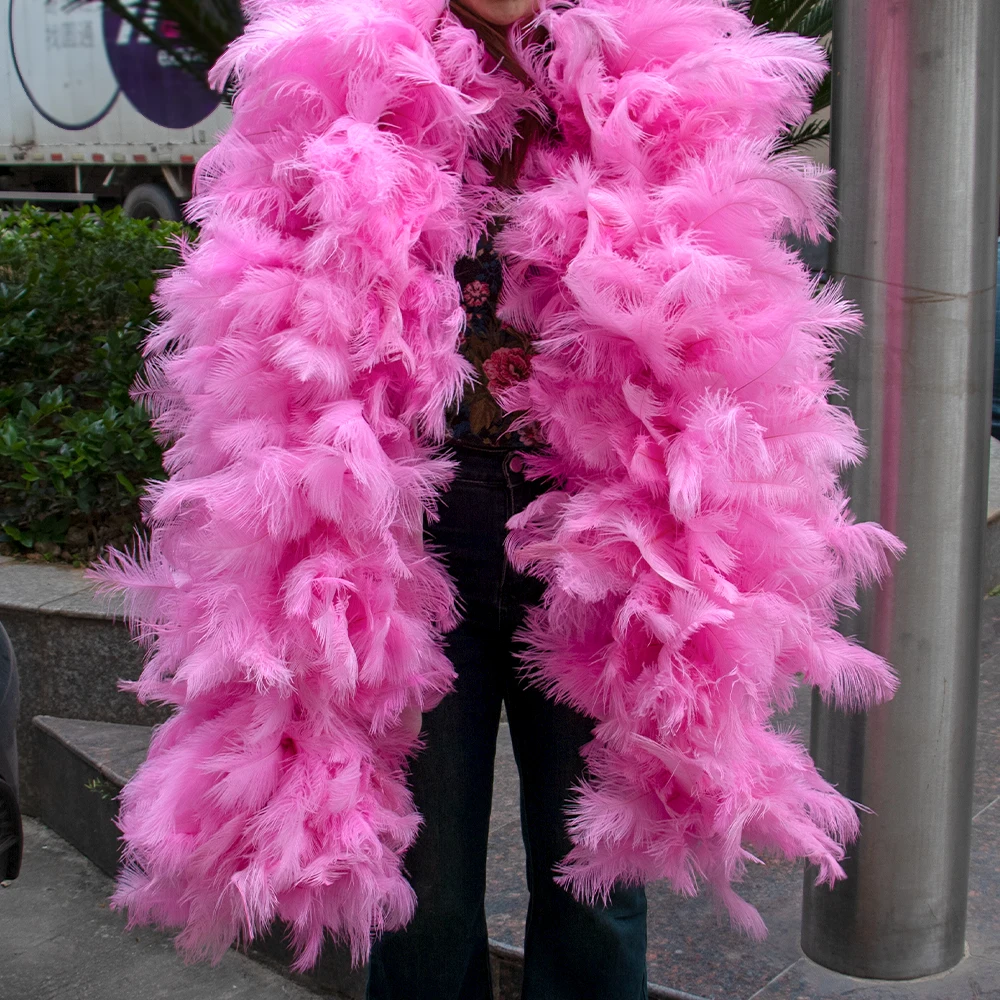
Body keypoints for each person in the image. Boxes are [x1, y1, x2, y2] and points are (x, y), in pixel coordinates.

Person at [95, 3, 901, 999]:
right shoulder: (338, 65)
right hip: (404, 546)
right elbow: (256, 304)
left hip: (608, 549)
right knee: (422, 888)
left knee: (597, 891)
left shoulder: (655, 66)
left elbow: (736, 315)